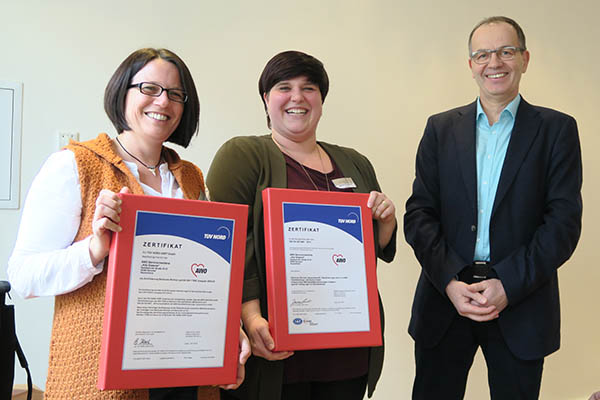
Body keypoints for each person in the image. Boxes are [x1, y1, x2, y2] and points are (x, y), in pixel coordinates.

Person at [7, 48, 249, 399]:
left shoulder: (191, 177)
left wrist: (230, 330)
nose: (163, 102)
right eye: (149, 88)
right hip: (103, 380)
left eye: (175, 94)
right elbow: (22, 275)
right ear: (123, 93)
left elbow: (206, 278)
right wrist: (94, 249)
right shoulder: (75, 165)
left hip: (186, 373)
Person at [404, 16, 583, 399]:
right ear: (471, 65)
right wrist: (450, 281)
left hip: (521, 302)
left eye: (506, 51)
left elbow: (563, 224)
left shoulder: (557, 130)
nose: (494, 63)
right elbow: (419, 214)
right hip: (445, 300)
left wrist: (509, 284)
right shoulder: (440, 129)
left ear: (524, 58)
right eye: (482, 54)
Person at [206, 50, 397, 400]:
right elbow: (229, 243)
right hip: (275, 345)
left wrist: (385, 223)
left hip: (347, 350)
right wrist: (250, 317)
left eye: (309, 88)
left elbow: (369, 251)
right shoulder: (243, 155)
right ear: (266, 99)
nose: (297, 97)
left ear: (321, 100)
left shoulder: (355, 162)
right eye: (284, 87)